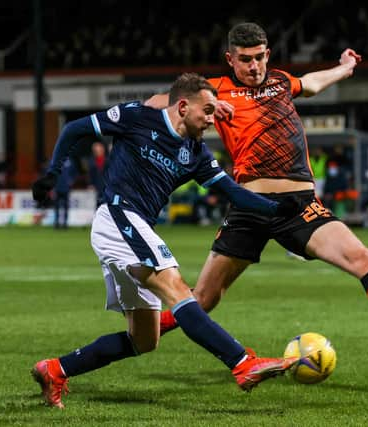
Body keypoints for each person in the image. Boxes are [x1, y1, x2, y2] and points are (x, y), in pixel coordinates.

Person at [148, 22, 368, 364]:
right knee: (204, 298)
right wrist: (203, 108)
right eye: (244, 60)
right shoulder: (216, 91)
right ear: (230, 60)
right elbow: (155, 103)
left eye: (258, 58)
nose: (253, 67)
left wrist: (344, 68)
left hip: (299, 208)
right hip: (249, 207)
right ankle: (143, 332)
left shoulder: (282, 82)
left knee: (363, 258)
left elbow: (311, 83)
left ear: (267, 54)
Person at [30, 73, 304, 409]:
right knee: (177, 288)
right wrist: (53, 173)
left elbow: (232, 192)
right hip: (118, 216)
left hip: (133, 227)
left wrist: (278, 208)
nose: (211, 119)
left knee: (144, 340)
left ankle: (55, 370)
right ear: (184, 106)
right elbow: (74, 129)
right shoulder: (137, 117)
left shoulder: (197, 153)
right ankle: (242, 363)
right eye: (207, 111)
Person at [53, 157, 77, 229]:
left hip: (66, 188)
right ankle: (56, 223)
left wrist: (71, 181)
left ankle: (65, 223)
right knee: (56, 206)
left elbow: (74, 173)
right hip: (57, 187)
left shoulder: (70, 162)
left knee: (65, 206)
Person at [88, 141, 108, 208]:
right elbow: (90, 174)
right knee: (99, 202)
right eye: (95, 150)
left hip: (107, 185)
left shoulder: (108, 160)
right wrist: (91, 184)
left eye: (99, 149)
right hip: (97, 185)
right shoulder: (92, 161)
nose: (97, 151)